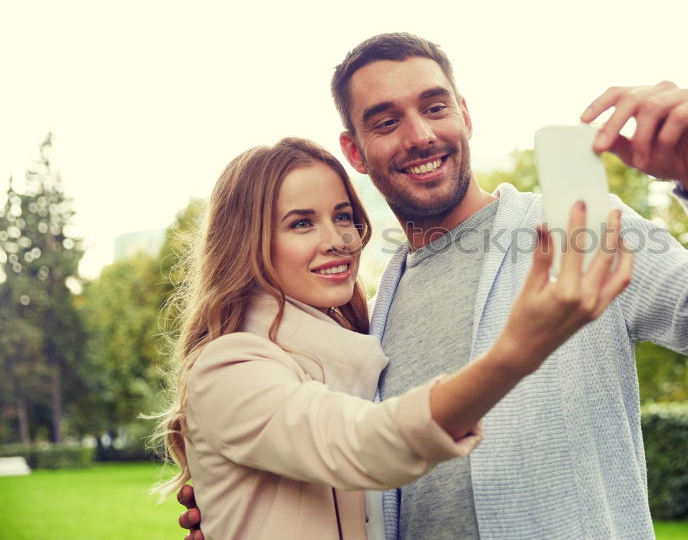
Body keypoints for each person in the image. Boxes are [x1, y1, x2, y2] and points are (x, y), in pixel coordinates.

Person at [179, 33, 688, 540]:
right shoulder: (376, 301)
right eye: (386, 120)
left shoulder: (572, 226)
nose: (420, 134)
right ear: (356, 151)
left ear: (465, 114)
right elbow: (355, 447)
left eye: (434, 106)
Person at [157, 136, 632, 540]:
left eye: (343, 216)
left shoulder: (356, 350)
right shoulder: (229, 367)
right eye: (301, 222)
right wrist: (515, 353)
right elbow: (362, 443)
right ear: (246, 241)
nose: (339, 239)